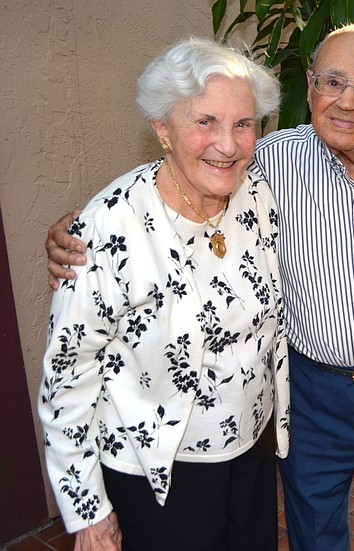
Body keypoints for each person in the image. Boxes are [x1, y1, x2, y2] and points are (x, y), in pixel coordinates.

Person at [46, 24, 354, 551]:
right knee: (315, 531)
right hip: (302, 398)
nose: (346, 102)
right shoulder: (266, 164)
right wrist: (72, 229)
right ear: (310, 87)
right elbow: (166, 184)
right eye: (332, 81)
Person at [38, 38, 288, 551]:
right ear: (162, 130)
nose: (228, 144)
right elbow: (67, 376)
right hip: (158, 474)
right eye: (205, 123)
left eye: (243, 124)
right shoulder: (108, 228)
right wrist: (87, 510)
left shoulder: (258, 192)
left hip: (251, 452)